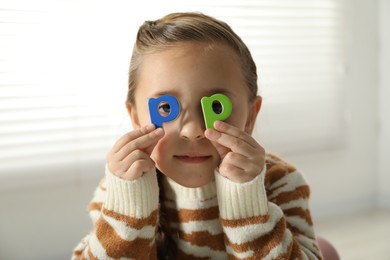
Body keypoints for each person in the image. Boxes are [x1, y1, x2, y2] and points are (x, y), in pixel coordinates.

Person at [72, 12, 324, 259]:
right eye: (166, 108)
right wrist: (129, 210)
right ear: (136, 117)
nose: (193, 130)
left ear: (250, 116)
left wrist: (248, 205)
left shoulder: (279, 182)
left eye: (215, 107)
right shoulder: (119, 189)